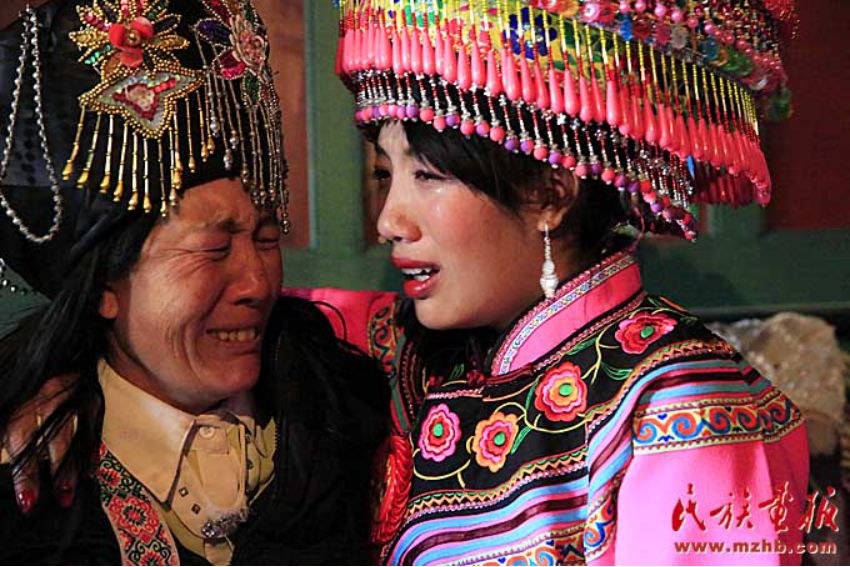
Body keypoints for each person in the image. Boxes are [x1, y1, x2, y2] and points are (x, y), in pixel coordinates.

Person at [290, 1, 810, 564]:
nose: (390, 221)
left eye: (428, 176)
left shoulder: (679, 403)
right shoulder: (406, 351)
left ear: (548, 196)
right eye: (384, 175)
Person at [0, 0, 385, 564]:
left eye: (267, 239)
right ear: (106, 285)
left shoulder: (349, 413)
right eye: (213, 250)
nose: (256, 283)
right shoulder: (37, 484)